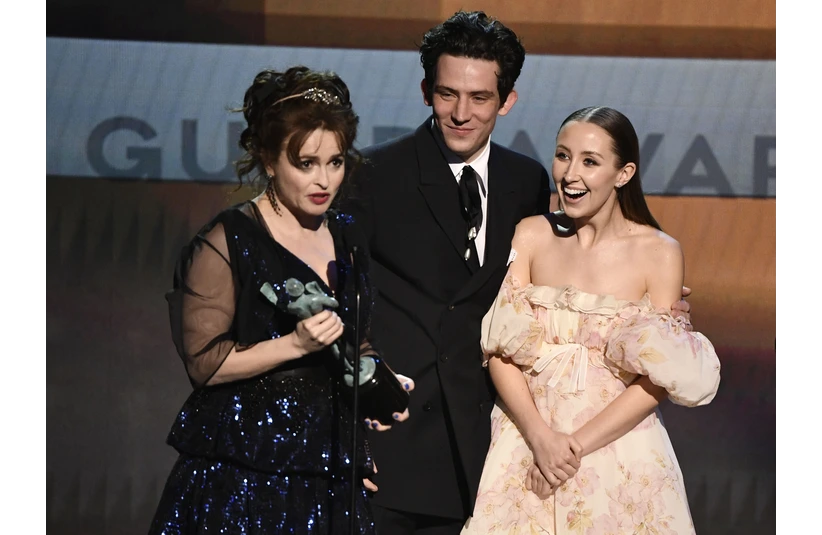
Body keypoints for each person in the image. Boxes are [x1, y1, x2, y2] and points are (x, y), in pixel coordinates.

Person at [341, 11, 693, 535]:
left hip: (486, 454)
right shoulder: (371, 175)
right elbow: (337, 303)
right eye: (446, 94)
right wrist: (343, 436)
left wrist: (660, 313)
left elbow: (570, 274)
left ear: (507, 101)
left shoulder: (525, 181)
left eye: (480, 98)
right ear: (424, 91)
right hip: (391, 446)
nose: (461, 113)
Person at [148, 65, 413, 535]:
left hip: (327, 464)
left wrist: (377, 385)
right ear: (269, 161)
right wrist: (295, 345)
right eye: (305, 163)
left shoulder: (347, 233)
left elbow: (355, 336)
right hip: (244, 469)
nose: (324, 181)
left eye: (335, 162)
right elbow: (205, 363)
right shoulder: (228, 239)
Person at [461, 106, 721, 534]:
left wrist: (574, 447)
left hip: (616, 449)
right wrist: (541, 439)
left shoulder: (660, 252)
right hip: (527, 443)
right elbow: (500, 349)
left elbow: (655, 379)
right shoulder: (532, 234)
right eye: (563, 156)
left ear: (623, 173)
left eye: (590, 161)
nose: (570, 174)